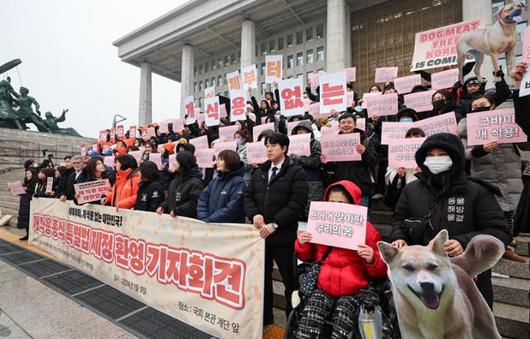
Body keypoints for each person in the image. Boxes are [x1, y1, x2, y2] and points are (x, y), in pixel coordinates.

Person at [389, 133, 512, 308]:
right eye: (430, 155)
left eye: (442, 155)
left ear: (455, 157)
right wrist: (398, 237)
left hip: (465, 281)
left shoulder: (476, 191)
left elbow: (500, 231)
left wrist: (464, 242)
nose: (435, 159)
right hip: (422, 280)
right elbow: (399, 221)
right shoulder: (411, 190)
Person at [295, 180, 387, 338]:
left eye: (341, 203)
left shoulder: (368, 231)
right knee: (309, 318)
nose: (336, 207)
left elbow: (381, 271)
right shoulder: (319, 225)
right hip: (323, 287)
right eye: (331, 203)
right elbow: (307, 257)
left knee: (342, 322)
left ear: (352, 205)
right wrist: (302, 244)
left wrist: (372, 259)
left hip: (353, 292)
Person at [243, 132, 308, 326]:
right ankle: (266, 319)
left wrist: (275, 224)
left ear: (284, 148)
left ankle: (292, 322)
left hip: (284, 237)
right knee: (262, 280)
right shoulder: (260, 171)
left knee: (290, 282)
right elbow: (248, 196)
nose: (269, 149)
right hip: (261, 237)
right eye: (267, 146)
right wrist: (254, 214)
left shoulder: (296, 172)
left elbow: (297, 203)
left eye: (273, 146)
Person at [321, 113, 379, 206]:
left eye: (349, 122)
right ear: (339, 126)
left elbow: (374, 161)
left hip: (361, 188)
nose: (346, 125)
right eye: (343, 123)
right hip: (340, 189)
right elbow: (331, 168)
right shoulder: (333, 142)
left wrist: (364, 152)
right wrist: (326, 163)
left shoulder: (365, 140)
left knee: (361, 218)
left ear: (355, 125)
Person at [197, 150, 246, 223]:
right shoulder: (214, 181)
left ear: (230, 161)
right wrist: (204, 219)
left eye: (221, 160)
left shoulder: (238, 182)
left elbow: (233, 207)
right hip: (209, 227)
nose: (217, 162)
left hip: (227, 230)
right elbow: (202, 201)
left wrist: (210, 220)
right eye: (217, 159)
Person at [383, 127, 425, 208]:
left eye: (416, 136)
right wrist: (398, 176)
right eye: (409, 136)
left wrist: (423, 173)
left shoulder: (428, 155)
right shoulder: (397, 155)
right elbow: (389, 178)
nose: (412, 138)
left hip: (422, 196)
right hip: (403, 196)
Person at [290, 120, 323, 218]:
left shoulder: (315, 143)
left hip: (312, 181)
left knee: (312, 212)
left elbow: (316, 161)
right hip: (296, 181)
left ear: (309, 132)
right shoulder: (291, 145)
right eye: (299, 130)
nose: (300, 132)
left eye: (304, 130)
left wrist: (300, 159)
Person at [156, 151, 203, 218]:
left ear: (183, 162)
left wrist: (177, 211)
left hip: (187, 224)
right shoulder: (174, 181)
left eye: (176, 161)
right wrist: (163, 206)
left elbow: (194, 204)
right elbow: (169, 199)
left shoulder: (195, 183)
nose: (174, 163)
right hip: (173, 221)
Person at [17, 168, 38, 240]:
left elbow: (36, 192)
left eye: (29, 173)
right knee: (25, 220)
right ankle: (27, 234)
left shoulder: (36, 182)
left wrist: (27, 189)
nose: (27, 175)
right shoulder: (25, 182)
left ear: (33, 174)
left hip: (30, 202)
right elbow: (21, 192)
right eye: (26, 173)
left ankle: (30, 235)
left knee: (29, 219)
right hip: (23, 202)